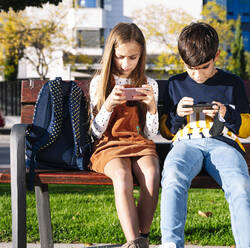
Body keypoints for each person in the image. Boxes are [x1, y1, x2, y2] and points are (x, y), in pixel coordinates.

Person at [159, 22, 250, 248]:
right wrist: (176, 115)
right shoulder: (176, 83)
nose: (196, 74)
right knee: (173, 176)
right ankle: (171, 244)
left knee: (240, 186)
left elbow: (247, 128)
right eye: (189, 67)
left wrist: (227, 113)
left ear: (217, 56)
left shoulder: (232, 83)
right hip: (186, 143)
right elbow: (167, 132)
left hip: (223, 144)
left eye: (204, 67)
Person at [89, 22, 160, 248]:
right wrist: (108, 105)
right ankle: (134, 243)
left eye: (133, 57)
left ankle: (142, 239)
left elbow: (151, 133)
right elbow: (94, 133)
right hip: (109, 145)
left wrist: (152, 109)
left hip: (139, 143)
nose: (126, 63)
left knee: (151, 173)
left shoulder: (150, 84)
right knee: (122, 175)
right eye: (121, 57)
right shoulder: (99, 83)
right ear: (112, 53)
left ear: (141, 55)